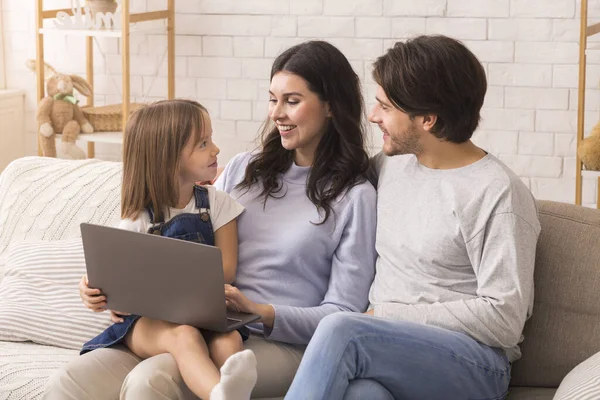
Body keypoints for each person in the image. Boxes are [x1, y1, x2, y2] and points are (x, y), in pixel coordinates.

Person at [43, 41, 377, 399]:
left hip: (274, 341)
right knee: (70, 380)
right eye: (272, 99)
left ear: (330, 106)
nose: (275, 113)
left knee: (152, 380)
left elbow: (343, 314)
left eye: (291, 101)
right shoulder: (244, 169)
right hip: (197, 323)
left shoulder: (355, 196)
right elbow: (179, 235)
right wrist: (115, 288)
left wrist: (261, 311)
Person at [285, 35, 542, 400]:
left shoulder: (498, 193)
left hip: (475, 362)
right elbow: (329, 183)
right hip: (390, 350)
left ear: (427, 119)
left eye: (385, 107)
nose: (373, 117)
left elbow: (504, 319)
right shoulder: (392, 166)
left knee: (341, 330)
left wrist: (385, 315)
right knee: (364, 395)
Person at [77, 99, 256, 400]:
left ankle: (231, 392)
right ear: (169, 158)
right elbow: (116, 285)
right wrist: (94, 291)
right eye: (203, 143)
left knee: (228, 343)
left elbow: (225, 270)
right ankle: (220, 396)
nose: (216, 149)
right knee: (183, 336)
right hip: (149, 322)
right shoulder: (139, 218)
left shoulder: (217, 203)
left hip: (207, 314)